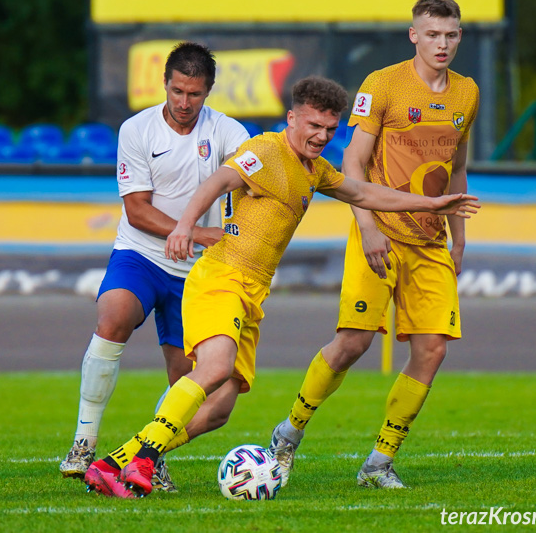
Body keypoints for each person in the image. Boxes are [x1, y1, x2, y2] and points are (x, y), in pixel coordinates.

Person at [83, 75, 479, 498]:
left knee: (221, 408)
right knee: (214, 368)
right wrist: (185, 227)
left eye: (330, 129)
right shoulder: (266, 150)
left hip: (253, 292)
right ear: (291, 119)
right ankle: (144, 461)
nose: (321, 136)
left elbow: (365, 193)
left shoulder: (316, 170)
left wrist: (432, 203)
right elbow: (218, 182)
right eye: (313, 126)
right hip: (222, 277)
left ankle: (114, 463)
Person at [267, 0, 480, 490]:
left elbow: (458, 166)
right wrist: (366, 228)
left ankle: (379, 462)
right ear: (414, 35)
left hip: (431, 243)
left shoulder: (467, 93)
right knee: (352, 343)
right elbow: (354, 164)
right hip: (379, 230)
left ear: (459, 37)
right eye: (432, 34)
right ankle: (289, 433)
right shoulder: (382, 84)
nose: (441, 44)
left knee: (433, 350)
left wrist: (460, 237)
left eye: (450, 35)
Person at [59, 42, 250, 490]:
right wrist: (198, 232)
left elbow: (252, 183)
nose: (184, 103)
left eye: (195, 94)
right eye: (178, 91)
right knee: (114, 316)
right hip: (141, 253)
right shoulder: (137, 129)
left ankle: (151, 455)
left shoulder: (228, 132)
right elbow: (138, 211)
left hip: (199, 273)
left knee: (187, 378)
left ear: (209, 92)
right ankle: (83, 442)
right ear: (165, 83)